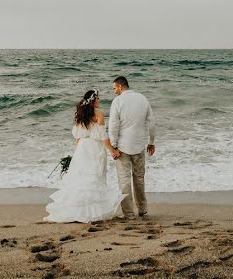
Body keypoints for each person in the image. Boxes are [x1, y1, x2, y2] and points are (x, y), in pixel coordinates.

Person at [44, 89, 126, 223]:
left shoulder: (80, 114)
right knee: (94, 177)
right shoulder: (99, 114)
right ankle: (92, 212)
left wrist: (76, 152)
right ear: (93, 100)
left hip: (82, 148)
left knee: (80, 178)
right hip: (94, 148)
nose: (99, 100)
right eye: (98, 98)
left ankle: (74, 211)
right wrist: (113, 151)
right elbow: (103, 136)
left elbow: (77, 136)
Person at [108, 76, 155, 219]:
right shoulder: (142, 99)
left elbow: (113, 126)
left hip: (122, 146)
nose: (114, 91)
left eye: (114, 88)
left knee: (124, 180)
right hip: (139, 145)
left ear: (120, 87)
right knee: (139, 178)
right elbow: (151, 122)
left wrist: (113, 146)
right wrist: (151, 142)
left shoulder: (117, 101)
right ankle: (143, 209)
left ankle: (129, 214)